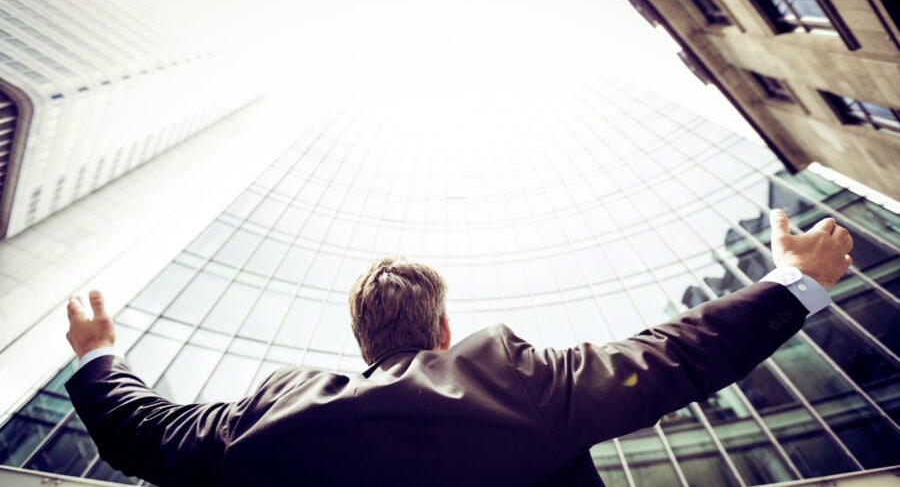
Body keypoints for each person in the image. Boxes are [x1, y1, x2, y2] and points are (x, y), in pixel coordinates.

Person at [64, 209, 853, 486]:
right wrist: (793, 283)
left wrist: (100, 354)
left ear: (361, 343)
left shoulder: (269, 417)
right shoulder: (511, 381)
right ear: (443, 332)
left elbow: (143, 434)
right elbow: (672, 355)